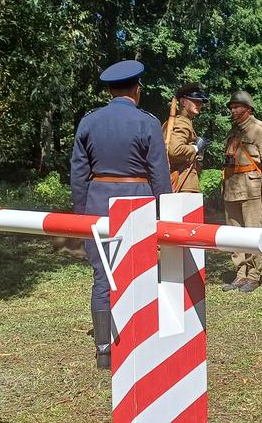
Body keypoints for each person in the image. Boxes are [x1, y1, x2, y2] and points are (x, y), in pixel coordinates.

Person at [71, 60, 171, 368]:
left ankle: (104, 349)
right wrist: (164, 211)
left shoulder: (89, 121)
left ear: (110, 90)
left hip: (98, 205)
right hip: (137, 203)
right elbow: (159, 173)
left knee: (103, 275)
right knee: (139, 270)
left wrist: (80, 215)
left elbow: (78, 173)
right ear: (137, 89)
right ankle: (138, 338)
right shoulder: (148, 122)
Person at [221, 90, 262, 293]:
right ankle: (240, 274)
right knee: (234, 234)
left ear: (248, 109)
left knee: (254, 233)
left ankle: (254, 276)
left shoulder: (260, 130)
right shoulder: (234, 132)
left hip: (251, 189)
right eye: (231, 107)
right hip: (231, 188)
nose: (232, 110)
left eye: (236, 107)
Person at [162, 82, 211, 193]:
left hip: (180, 182)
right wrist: (196, 148)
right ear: (183, 102)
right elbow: (175, 151)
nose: (199, 104)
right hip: (183, 183)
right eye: (195, 101)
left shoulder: (176, 122)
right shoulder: (182, 122)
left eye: (200, 102)